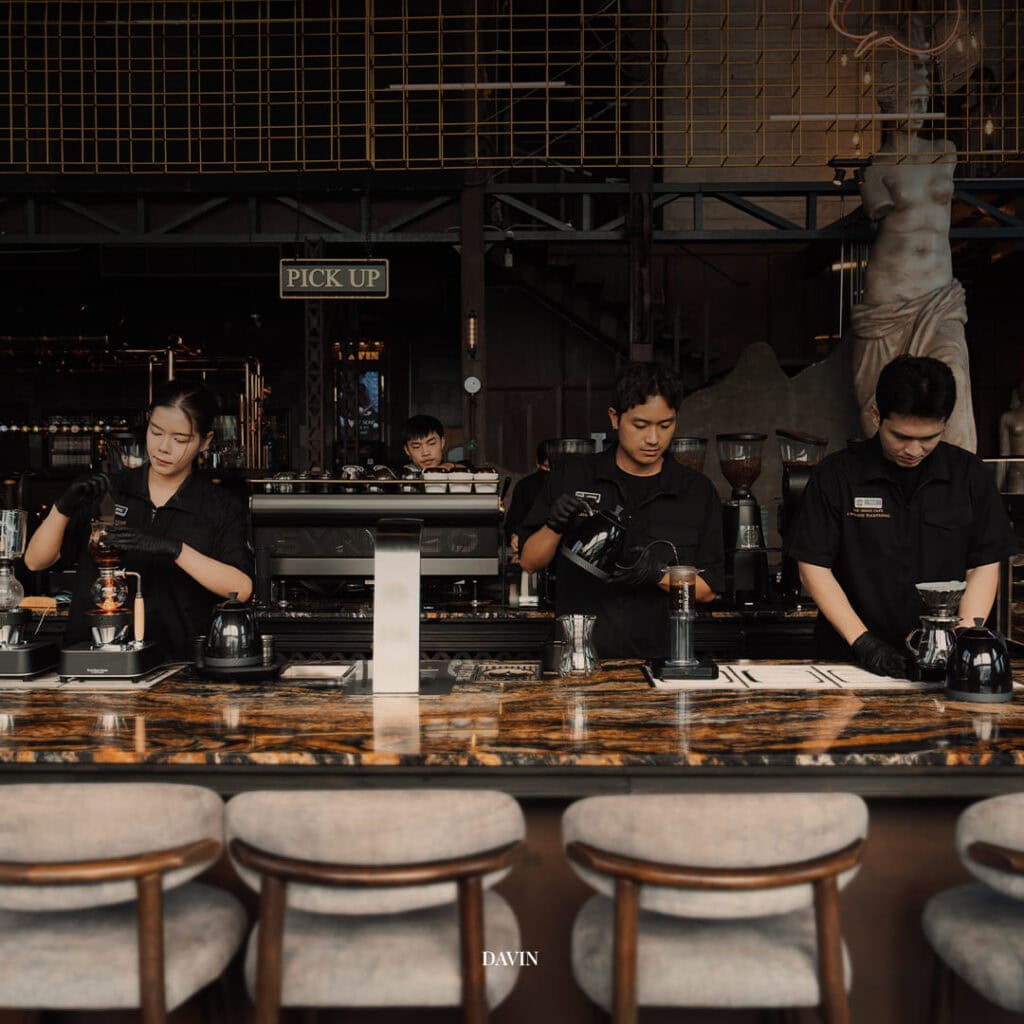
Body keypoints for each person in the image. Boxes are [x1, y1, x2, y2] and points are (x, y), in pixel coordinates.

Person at [788, 355, 1016, 677]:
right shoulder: (836, 475)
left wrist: (962, 640)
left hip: (944, 664)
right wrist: (864, 643)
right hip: (848, 659)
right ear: (876, 414)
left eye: (928, 438)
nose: (914, 450)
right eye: (901, 436)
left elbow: (983, 564)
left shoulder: (970, 476)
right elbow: (813, 568)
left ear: (945, 424)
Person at [25, 381, 253, 661]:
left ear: (205, 441)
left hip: (178, 666)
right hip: (94, 661)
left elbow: (241, 589)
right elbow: (35, 562)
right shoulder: (109, 490)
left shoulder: (219, 506)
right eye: (156, 432)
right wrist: (63, 507)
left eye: (180, 439)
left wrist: (174, 549)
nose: (163, 448)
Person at [518, 362, 724, 659]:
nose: (654, 439)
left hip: (663, 662)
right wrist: (554, 525)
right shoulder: (571, 478)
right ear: (615, 418)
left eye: (665, 425)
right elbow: (529, 561)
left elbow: (707, 590)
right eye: (640, 425)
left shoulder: (696, 491)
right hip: (578, 661)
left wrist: (656, 574)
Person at [850, 45, 977, 452]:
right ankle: (883, 480)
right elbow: (875, 210)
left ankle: (958, 483)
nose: (919, 106)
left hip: (939, 295)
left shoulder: (946, 152)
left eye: (923, 99)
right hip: (890, 297)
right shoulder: (876, 166)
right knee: (881, 397)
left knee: (953, 373)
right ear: (889, 100)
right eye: (910, 98)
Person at [504, 439, 552, 556]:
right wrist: (513, 536)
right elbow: (512, 523)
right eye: (546, 468)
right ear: (537, 464)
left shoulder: (571, 483)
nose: (549, 474)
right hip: (532, 544)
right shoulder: (525, 486)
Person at [400, 414, 465, 471]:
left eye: (432, 443)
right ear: (407, 450)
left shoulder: (456, 469)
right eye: (416, 447)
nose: (425, 453)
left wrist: (450, 466)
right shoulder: (400, 476)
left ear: (442, 443)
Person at [999, 379, 1024, 494]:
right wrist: (998, 484)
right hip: (1017, 472)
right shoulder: (1007, 418)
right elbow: (1004, 455)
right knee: (1016, 507)